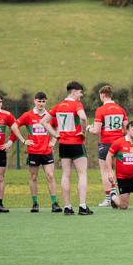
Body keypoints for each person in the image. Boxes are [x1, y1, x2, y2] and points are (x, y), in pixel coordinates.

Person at [40, 81, 93, 215]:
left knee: (66, 175)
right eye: (80, 92)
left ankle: (67, 207)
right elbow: (83, 117)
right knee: (82, 174)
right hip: (76, 142)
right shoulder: (77, 105)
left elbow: (43, 121)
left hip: (63, 144)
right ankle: (82, 206)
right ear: (74, 92)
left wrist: (55, 135)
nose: (81, 95)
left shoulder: (58, 106)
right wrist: (83, 133)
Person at [15, 92, 60, 212]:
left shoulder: (50, 115)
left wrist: (54, 141)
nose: (41, 103)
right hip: (33, 151)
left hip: (47, 151)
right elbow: (14, 126)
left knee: (50, 175)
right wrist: (23, 141)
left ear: (46, 102)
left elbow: (57, 127)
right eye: (39, 101)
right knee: (33, 177)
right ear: (34, 101)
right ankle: (35, 203)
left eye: (43, 101)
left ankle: (54, 203)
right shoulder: (28, 115)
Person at [88, 85, 128, 207]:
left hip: (106, 143)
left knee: (105, 171)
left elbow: (96, 131)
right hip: (120, 143)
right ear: (112, 95)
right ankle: (120, 196)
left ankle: (109, 198)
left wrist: (88, 128)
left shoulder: (100, 110)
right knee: (120, 170)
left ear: (103, 96)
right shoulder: (120, 109)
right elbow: (126, 130)